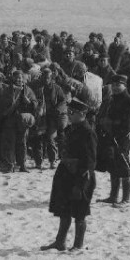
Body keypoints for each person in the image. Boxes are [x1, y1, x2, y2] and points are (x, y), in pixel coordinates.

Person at [41, 99, 98, 251]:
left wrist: (80, 185)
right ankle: (60, 242)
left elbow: (90, 162)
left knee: (80, 212)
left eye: (72, 113)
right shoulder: (71, 129)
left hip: (80, 177)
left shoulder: (88, 132)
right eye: (68, 112)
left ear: (82, 114)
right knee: (63, 210)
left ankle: (78, 245)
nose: (69, 115)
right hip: (66, 174)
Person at [95, 75, 130, 206]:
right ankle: (113, 196)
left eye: (118, 85)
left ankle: (126, 199)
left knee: (124, 166)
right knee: (113, 165)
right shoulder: (111, 99)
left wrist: (113, 125)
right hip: (109, 135)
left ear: (125, 86)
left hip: (122, 137)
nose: (115, 87)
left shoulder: (128, 100)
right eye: (113, 85)